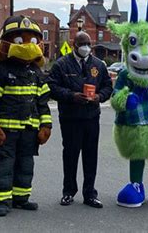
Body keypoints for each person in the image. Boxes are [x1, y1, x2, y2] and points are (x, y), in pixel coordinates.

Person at [0, 15, 52, 217]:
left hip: (29, 131)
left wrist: (45, 126)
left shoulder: (37, 73)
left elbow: (43, 103)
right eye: (20, 41)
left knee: (26, 165)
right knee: (4, 165)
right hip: (6, 132)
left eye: (32, 41)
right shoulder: (1, 71)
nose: (27, 46)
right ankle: (2, 201)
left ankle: (21, 198)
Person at [48, 31, 113, 208]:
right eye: (82, 44)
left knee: (90, 155)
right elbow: (52, 87)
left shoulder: (98, 64)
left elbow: (108, 86)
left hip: (91, 117)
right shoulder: (62, 64)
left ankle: (90, 193)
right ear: (74, 45)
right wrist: (71, 96)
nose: (86, 47)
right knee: (70, 155)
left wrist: (100, 96)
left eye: (88, 44)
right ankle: (68, 191)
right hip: (70, 118)